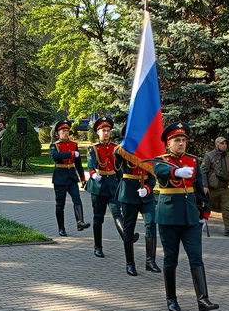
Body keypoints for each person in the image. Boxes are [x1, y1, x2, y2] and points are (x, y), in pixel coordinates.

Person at [153, 122, 218, 311]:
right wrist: (175, 171)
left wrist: (205, 212)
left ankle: (203, 299)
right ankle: (171, 299)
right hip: (168, 217)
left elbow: (199, 187)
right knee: (170, 259)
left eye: (183, 140)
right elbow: (161, 172)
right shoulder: (161, 160)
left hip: (190, 217)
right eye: (176, 140)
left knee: (196, 257)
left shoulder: (193, 160)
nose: (181, 144)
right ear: (168, 143)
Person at [85, 117, 134, 263]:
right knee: (98, 217)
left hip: (113, 186)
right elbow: (90, 165)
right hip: (99, 187)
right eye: (103, 130)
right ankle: (98, 246)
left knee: (117, 213)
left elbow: (119, 169)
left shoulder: (115, 148)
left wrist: (124, 182)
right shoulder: (93, 148)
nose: (106, 133)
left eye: (108, 130)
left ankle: (127, 236)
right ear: (98, 132)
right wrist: (94, 175)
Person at [116, 124, 161, 275]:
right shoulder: (123, 151)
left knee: (151, 222)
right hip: (129, 194)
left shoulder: (148, 152)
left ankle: (150, 261)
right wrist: (126, 142)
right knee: (129, 229)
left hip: (145, 195)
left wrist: (148, 188)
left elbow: (152, 176)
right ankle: (130, 263)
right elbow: (116, 155)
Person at [50, 120, 91, 236]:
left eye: (67, 131)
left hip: (72, 176)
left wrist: (83, 177)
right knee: (60, 204)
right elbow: (55, 156)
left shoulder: (74, 144)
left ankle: (80, 222)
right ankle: (61, 228)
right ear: (58, 133)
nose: (66, 133)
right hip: (60, 176)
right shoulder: (55, 145)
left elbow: (78, 164)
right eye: (63, 131)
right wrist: (71, 153)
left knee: (77, 199)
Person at [201, 136, 229, 237]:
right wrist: (205, 186)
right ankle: (198, 225)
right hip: (211, 188)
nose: (224, 145)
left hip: (224, 188)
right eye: (222, 143)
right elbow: (203, 172)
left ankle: (228, 229)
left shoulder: (228, 156)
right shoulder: (209, 156)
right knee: (205, 208)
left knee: (228, 208)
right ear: (216, 144)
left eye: (225, 143)